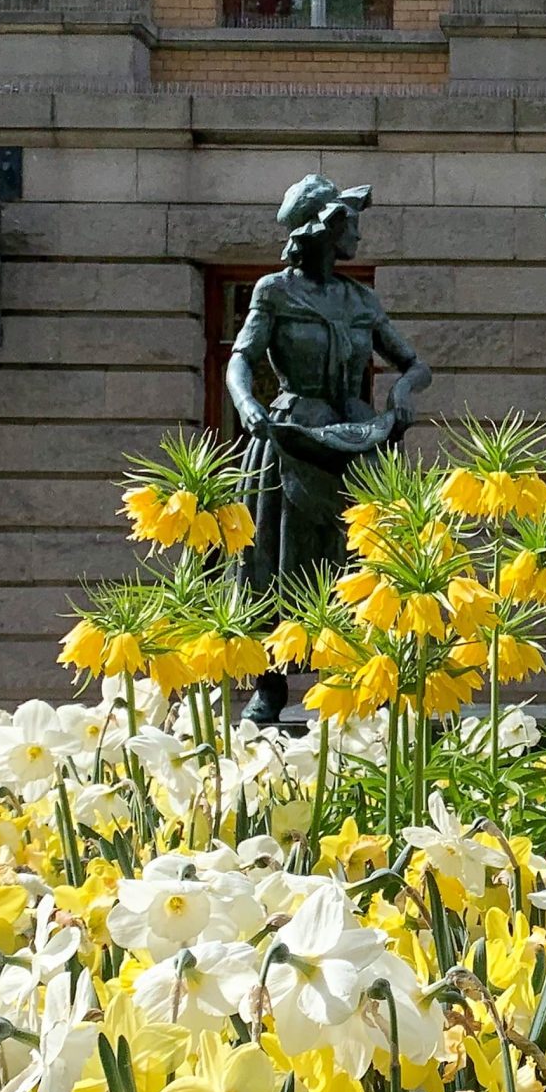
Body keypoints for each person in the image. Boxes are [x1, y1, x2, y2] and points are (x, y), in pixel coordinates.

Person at [228, 174, 431, 721]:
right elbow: (240, 358)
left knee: (357, 555)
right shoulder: (274, 290)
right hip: (296, 437)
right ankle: (271, 683)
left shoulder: (361, 298)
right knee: (280, 555)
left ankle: (358, 674)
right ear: (325, 228)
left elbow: (413, 362)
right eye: (351, 222)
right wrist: (248, 404)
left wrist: (403, 392)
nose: (359, 235)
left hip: (357, 437)